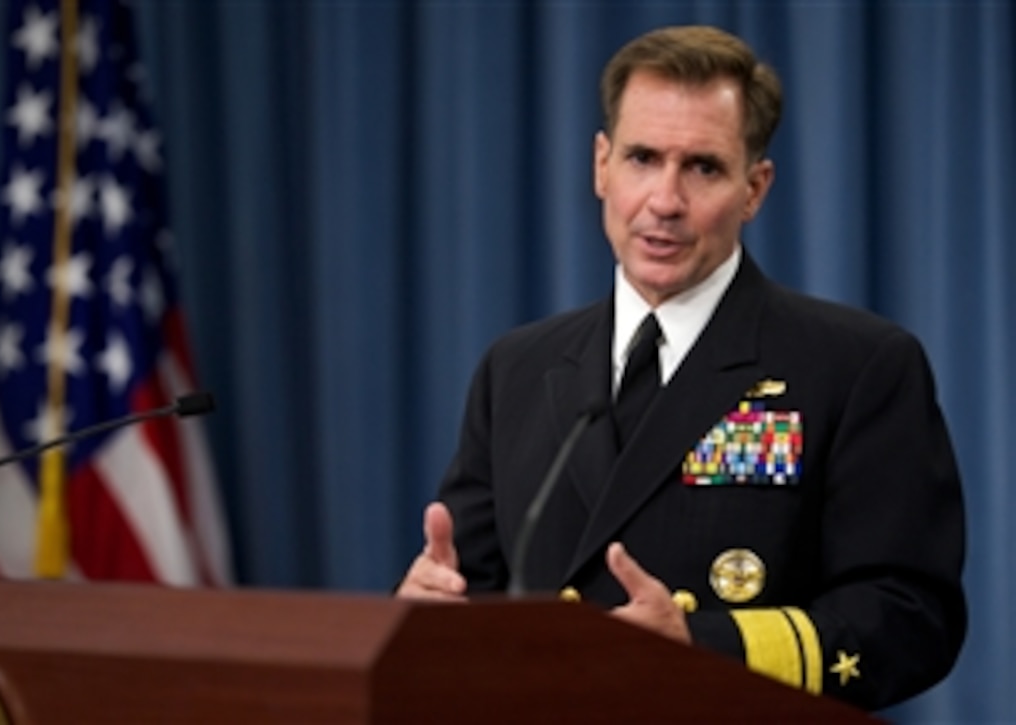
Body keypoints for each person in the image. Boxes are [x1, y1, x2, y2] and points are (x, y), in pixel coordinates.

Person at [396, 24, 966, 712]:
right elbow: (476, 592)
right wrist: (432, 613)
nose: (664, 201)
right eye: (642, 158)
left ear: (755, 188)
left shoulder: (858, 365)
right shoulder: (517, 368)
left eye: (703, 167)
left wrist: (700, 643)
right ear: (601, 165)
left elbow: (912, 618)